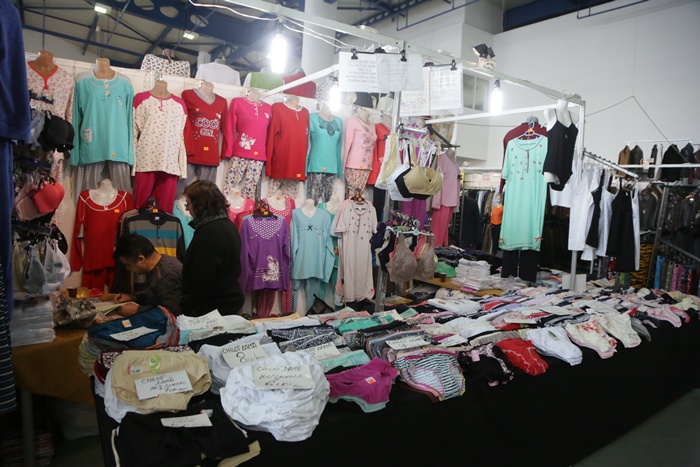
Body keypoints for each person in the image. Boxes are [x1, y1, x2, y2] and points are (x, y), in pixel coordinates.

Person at [182, 180, 245, 316]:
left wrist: (193, 309)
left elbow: (203, 277)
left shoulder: (212, 231)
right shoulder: (225, 225)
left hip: (213, 310)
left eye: (188, 204)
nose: (187, 209)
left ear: (200, 204)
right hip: (224, 304)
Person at [113, 234, 183, 315]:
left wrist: (137, 310)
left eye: (128, 265)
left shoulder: (167, 274)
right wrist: (133, 297)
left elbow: (172, 312)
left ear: (141, 259)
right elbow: (153, 297)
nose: (127, 269)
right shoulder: (158, 265)